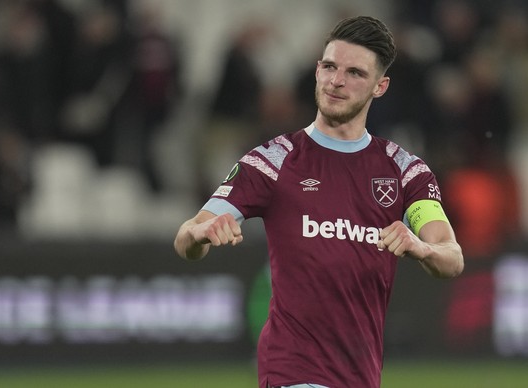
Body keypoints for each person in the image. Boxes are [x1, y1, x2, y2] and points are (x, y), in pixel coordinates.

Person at [174, 16, 464, 388]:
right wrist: (202, 232)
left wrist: (419, 247)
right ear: (316, 70)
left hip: (361, 376)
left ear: (381, 86)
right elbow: (185, 238)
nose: (337, 81)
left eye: (355, 73)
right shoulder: (273, 161)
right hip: (291, 372)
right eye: (329, 67)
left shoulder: (406, 171)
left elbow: (451, 257)